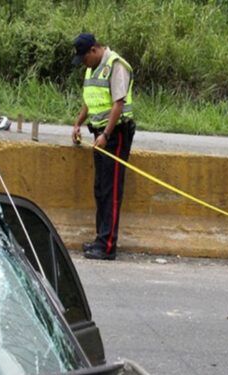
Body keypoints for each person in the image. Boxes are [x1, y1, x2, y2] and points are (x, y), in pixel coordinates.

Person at [71, 33, 135, 261]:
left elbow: (119, 103)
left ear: (94, 50)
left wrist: (106, 135)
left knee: (112, 190)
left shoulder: (116, 65)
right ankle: (101, 238)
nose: (83, 64)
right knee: (100, 189)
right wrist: (78, 123)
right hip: (100, 133)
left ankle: (108, 246)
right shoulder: (92, 68)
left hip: (116, 134)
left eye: (84, 58)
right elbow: (89, 101)